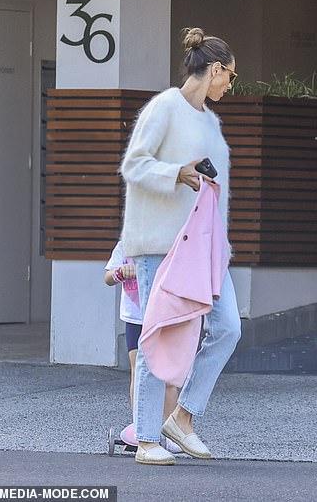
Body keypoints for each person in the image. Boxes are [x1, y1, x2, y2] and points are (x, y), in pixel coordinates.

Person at [120, 27, 241, 466]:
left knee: (229, 326)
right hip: (162, 246)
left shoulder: (210, 121)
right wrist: (176, 172)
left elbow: (216, 193)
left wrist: (222, 249)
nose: (230, 84)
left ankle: (183, 417)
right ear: (213, 69)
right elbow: (133, 164)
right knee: (162, 336)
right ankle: (147, 438)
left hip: (204, 251)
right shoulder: (165, 106)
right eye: (230, 75)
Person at [103, 241, 179, 450]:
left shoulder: (164, 244)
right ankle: (141, 426)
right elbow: (108, 278)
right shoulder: (125, 247)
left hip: (163, 316)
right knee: (138, 372)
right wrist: (121, 272)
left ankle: (173, 431)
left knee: (168, 376)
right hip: (136, 318)